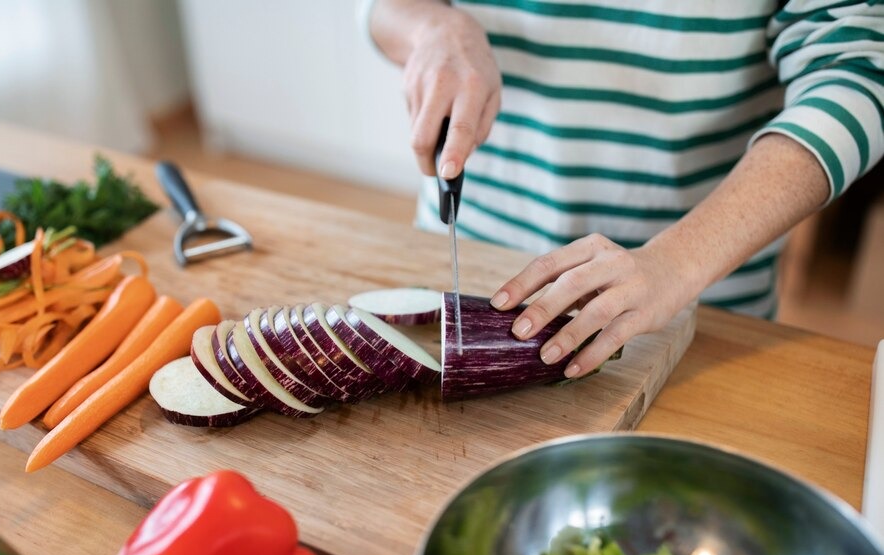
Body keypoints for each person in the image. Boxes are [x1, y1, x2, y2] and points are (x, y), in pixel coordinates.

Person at [365, 0, 883, 378]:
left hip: (692, 305)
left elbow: (860, 72)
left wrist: (678, 260)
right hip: (467, 255)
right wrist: (429, 24)